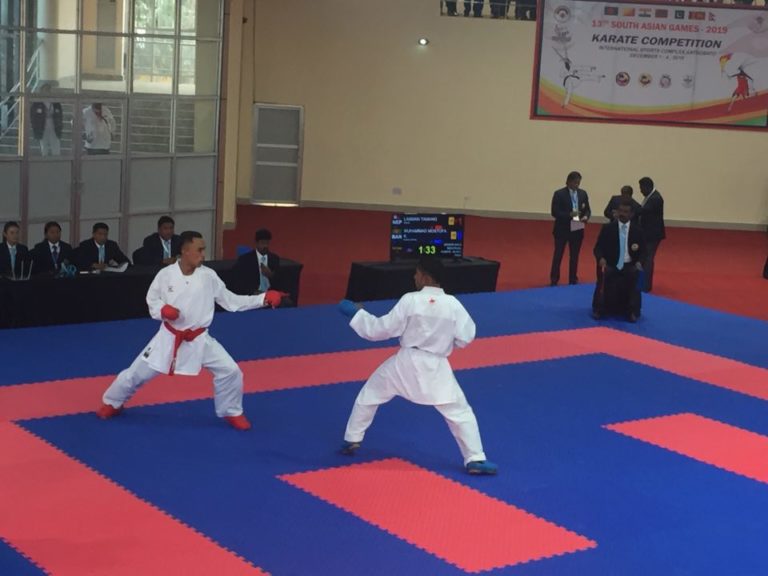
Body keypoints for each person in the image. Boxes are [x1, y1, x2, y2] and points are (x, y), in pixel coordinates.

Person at [96, 231, 286, 430]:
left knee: (231, 371)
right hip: (168, 338)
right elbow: (152, 299)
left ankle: (231, 411)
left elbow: (231, 301)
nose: (203, 255)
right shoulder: (166, 275)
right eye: (199, 250)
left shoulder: (208, 276)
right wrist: (163, 310)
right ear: (185, 251)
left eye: (203, 250)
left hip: (199, 339)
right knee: (136, 374)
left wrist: (262, 299)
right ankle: (112, 402)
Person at [337, 257, 497, 475]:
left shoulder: (410, 300)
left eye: (416, 273)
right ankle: (475, 458)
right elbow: (466, 337)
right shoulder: (453, 305)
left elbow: (380, 330)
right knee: (459, 412)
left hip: (405, 362)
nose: (414, 277)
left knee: (370, 394)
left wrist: (356, 314)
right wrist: (446, 342)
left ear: (425, 276)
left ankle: (352, 439)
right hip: (437, 366)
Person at [592, 199, 646, 322]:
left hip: (630, 264)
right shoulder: (608, 228)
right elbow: (598, 248)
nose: (622, 214)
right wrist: (601, 258)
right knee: (604, 276)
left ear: (631, 214)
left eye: (626, 212)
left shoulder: (638, 231)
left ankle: (633, 310)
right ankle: (599, 308)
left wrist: (639, 262)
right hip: (611, 263)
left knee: (637, 277)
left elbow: (644, 252)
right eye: (620, 211)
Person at [550, 171, 591, 286]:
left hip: (577, 226)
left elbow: (587, 209)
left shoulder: (583, 194)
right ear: (568, 182)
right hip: (562, 227)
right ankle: (554, 278)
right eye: (575, 183)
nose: (577, 185)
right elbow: (555, 212)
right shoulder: (559, 194)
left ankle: (573, 278)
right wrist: (570, 215)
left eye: (578, 183)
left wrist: (586, 216)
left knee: (574, 255)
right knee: (558, 254)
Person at [637, 177, 665, 292]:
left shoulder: (655, 199)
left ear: (647, 187)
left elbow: (642, 211)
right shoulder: (651, 197)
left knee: (648, 259)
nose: (640, 191)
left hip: (652, 234)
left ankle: (645, 285)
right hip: (649, 233)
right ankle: (643, 283)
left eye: (641, 188)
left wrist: (630, 205)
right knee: (645, 258)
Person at [232, 228, 280, 295]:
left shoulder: (274, 259)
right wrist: (253, 292)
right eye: (262, 243)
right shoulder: (245, 260)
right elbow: (240, 282)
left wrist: (271, 275)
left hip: (270, 294)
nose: (265, 246)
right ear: (256, 243)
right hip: (253, 294)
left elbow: (280, 282)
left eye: (267, 243)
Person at [31, 85, 63, 156]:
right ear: (41, 91)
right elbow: (33, 116)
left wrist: (59, 125)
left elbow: (60, 115)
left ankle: (56, 159)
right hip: (42, 127)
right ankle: (44, 158)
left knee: (55, 145)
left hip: (54, 126)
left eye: (49, 90)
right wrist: (35, 127)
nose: (48, 92)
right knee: (44, 146)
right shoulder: (37, 103)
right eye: (46, 90)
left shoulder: (56, 103)